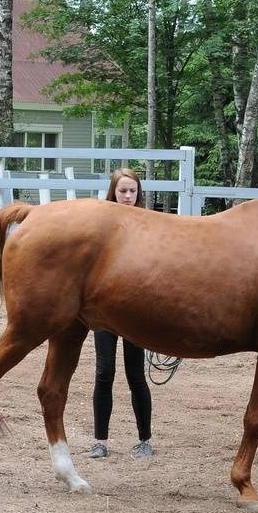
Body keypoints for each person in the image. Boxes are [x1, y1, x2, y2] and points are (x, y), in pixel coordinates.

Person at [89, 167, 155, 460]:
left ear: (139, 193)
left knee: (136, 376)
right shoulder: (101, 224)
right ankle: (100, 440)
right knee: (104, 373)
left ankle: (144, 439)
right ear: (113, 192)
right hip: (105, 308)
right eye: (122, 191)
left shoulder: (149, 224)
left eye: (132, 191)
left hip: (137, 309)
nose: (128, 196)